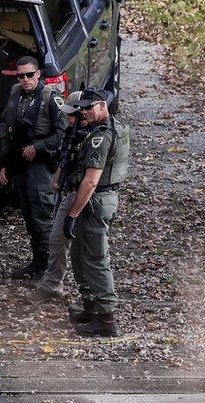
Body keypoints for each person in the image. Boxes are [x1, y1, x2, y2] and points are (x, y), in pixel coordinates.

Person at [60, 88, 129, 336]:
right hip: (102, 197)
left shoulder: (101, 137)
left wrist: (71, 214)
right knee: (80, 254)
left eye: (89, 108)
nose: (84, 112)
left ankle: (106, 319)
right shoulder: (116, 127)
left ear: (102, 105)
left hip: (96, 199)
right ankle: (90, 308)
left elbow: (90, 181)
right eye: (82, 108)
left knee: (97, 258)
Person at [0, 56, 67, 280]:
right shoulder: (15, 93)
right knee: (29, 216)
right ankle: (38, 263)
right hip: (19, 163)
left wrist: (38, 147)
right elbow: (8, 131)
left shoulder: (49, 96)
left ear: (38, 74)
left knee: (43, 218)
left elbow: (63, 133)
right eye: (21, 75)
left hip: (40, 164)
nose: (25, 79)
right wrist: (5, 164)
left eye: (30, 74)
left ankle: (51, 269)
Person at [25, 91, 91, 304]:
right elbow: (65, 159)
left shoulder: (93, 136)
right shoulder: (73, 134)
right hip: (69, 191)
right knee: (59, 239)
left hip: (82, 195)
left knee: (75, 243)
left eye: (73, 115)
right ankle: (56, 284)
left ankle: (72, 290)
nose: (68, 119)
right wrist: (58, 179)